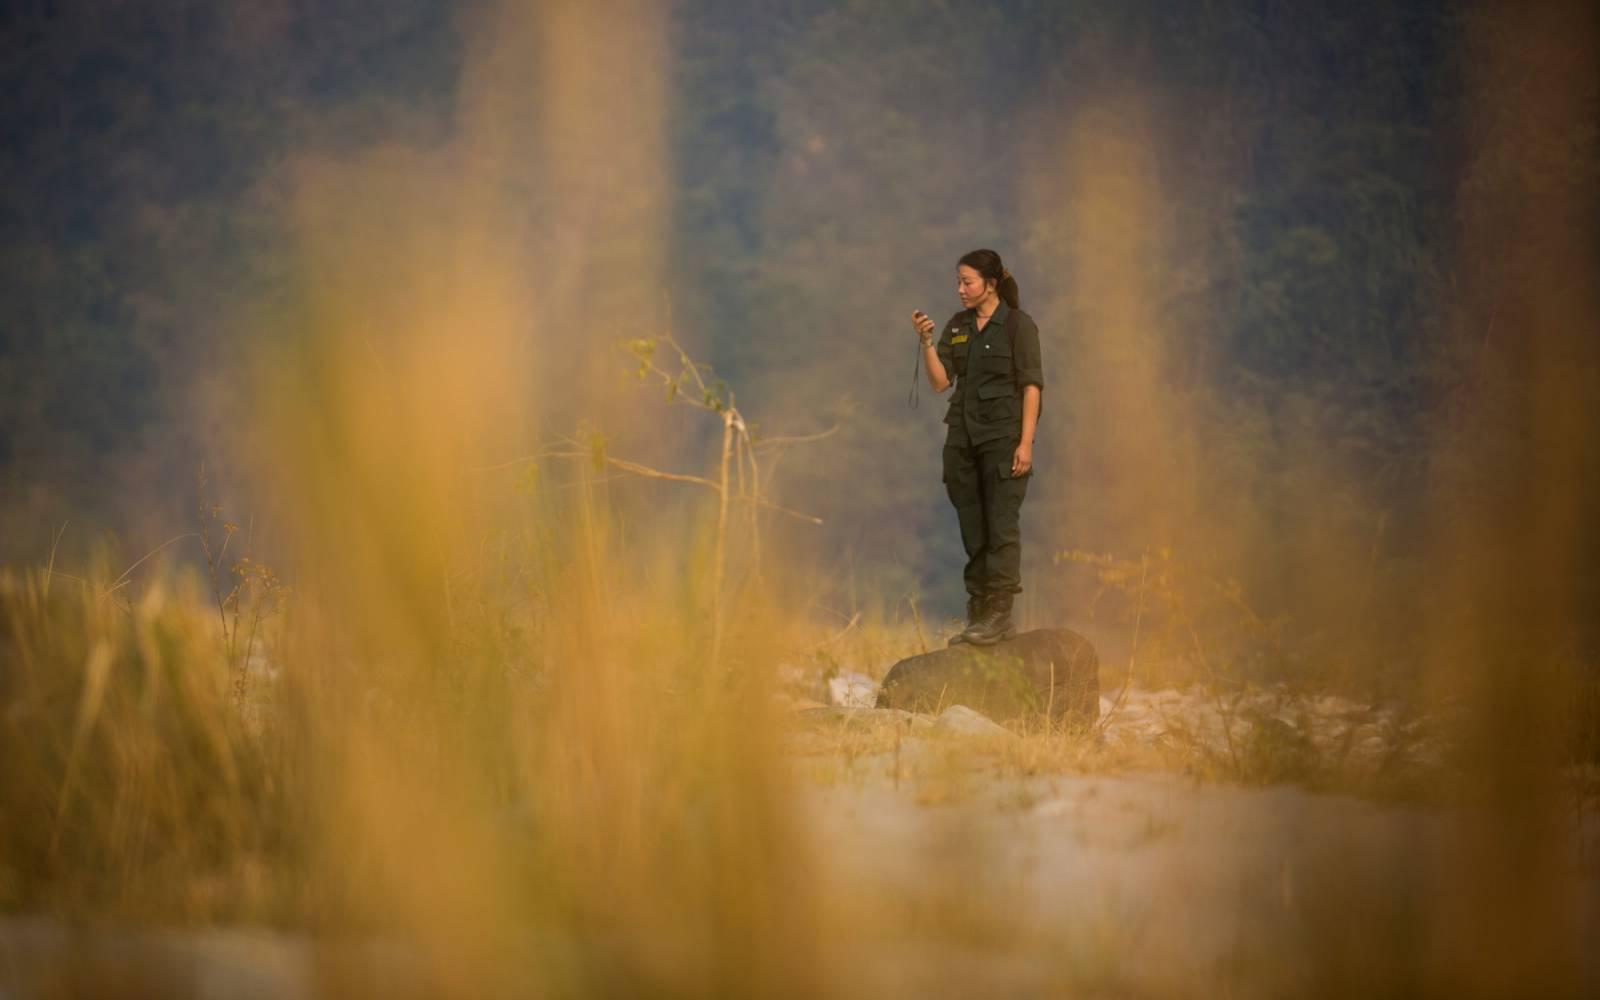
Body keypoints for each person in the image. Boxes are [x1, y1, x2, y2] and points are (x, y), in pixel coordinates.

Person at [911, 249, 1044, 645]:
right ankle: (980, 610)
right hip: (963, 445)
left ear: (991, 283)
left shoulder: (1018, 326)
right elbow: (939, 383)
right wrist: (927, 341)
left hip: (1003, 443)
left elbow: (1031, 387)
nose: (961, 289)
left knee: (1001, 526)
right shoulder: (958, 327)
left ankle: (1000, 612)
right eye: (958, 282)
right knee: (974, 531)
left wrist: (1025, 444)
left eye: (967, 282)